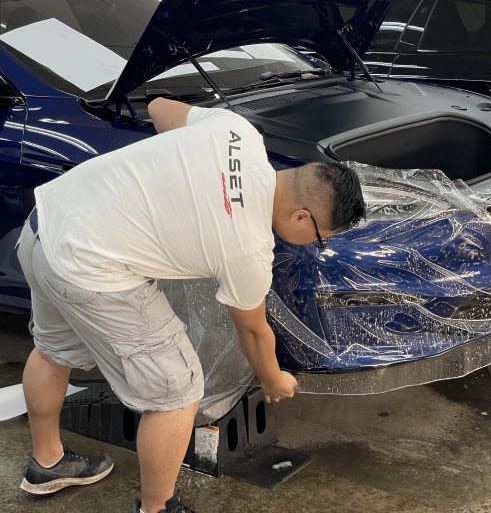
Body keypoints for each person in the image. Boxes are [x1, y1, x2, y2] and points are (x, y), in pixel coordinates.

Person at [15, 97, 366, 513]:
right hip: (92, 270)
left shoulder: (237, 132)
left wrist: (178, 174)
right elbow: (253, 331)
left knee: (53, 352)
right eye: (322, 238)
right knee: (178, 392)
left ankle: (47, 463)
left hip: (46, 225)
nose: (316, 244)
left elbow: (159, 107)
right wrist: (274, 379)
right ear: (301, 218)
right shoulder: (248, 249)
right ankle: (157, 507)